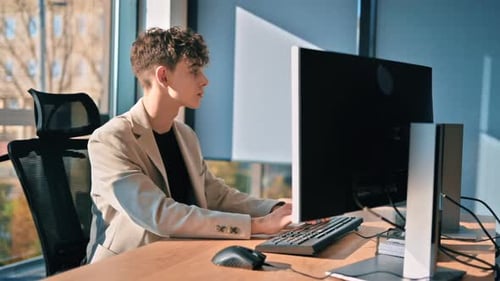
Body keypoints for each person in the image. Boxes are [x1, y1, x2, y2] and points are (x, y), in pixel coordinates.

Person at [85, 26, 292, 264]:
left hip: (182, 256)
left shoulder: (185, 135)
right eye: (194, 71)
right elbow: (160, 215)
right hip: (128, 266)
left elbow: (217, 196)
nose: (205, 80)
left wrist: (276, 208)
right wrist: (258, 225)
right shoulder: (111, 140)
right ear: (163, 76)